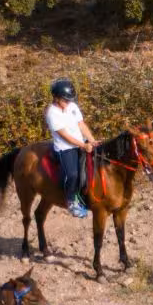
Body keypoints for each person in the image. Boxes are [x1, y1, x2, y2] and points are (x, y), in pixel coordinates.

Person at [45, 78, 97, 218]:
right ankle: (70, 201)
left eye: (69, 100)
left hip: (81, 143)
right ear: (56, 98)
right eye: (65, 100)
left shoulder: (72, 106)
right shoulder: (52, 113)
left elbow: (81, 125)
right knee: (72, 174)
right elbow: (64, 136)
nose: (68, 103)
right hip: (65, 148)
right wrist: (83, 145)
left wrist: (92, 140)